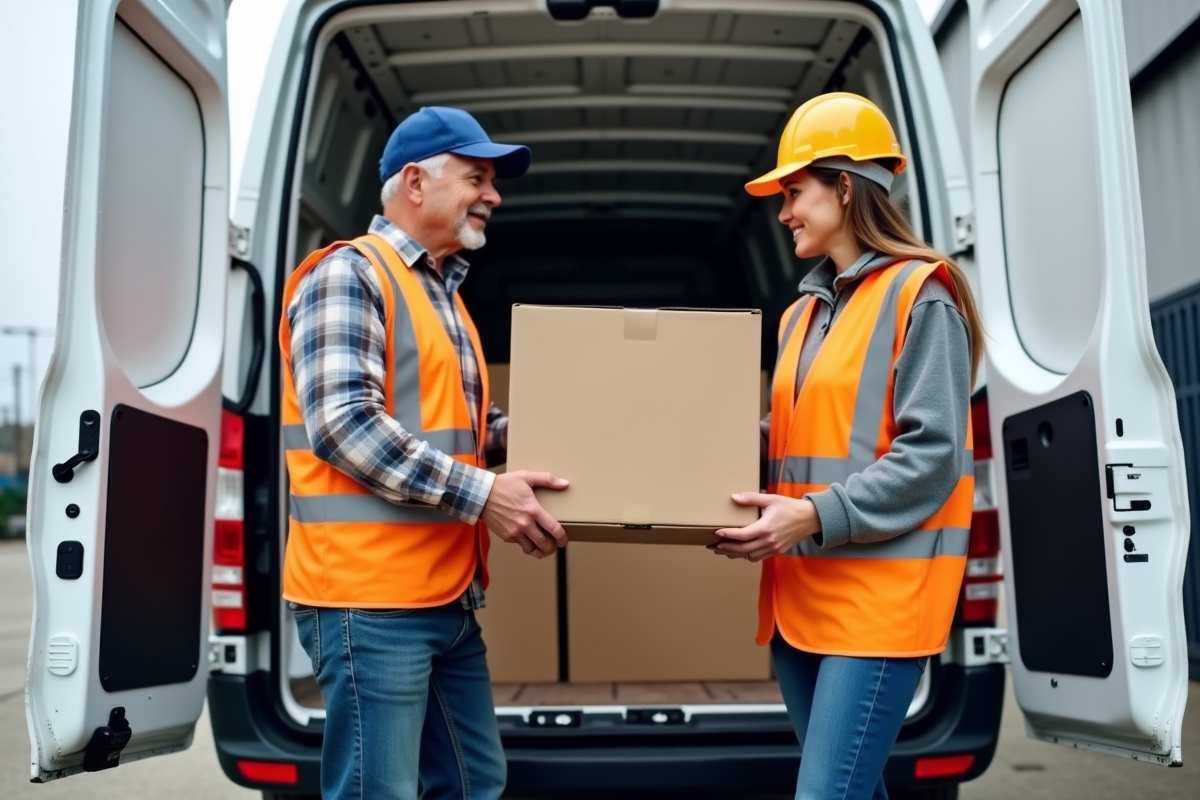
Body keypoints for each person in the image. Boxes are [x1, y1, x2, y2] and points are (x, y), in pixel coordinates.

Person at [278, 106, 569, 800]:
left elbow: (461, 427)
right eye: (477, 178)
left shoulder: (442, 292)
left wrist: (563, 434)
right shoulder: (350, 274)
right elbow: (345, 425)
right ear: (415, 182)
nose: (493, 196)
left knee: (474, 783)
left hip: (445, 595)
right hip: (369, 600)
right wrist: (486, 494)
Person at [713, 92, 984, 799]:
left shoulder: (924, 295)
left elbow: (932, 456)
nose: (783, 213)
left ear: (843, 185)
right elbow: (792, 440)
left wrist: (809, 515)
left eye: (793, 192)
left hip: (877, 601)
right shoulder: (800, 316)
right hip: (802, 596)